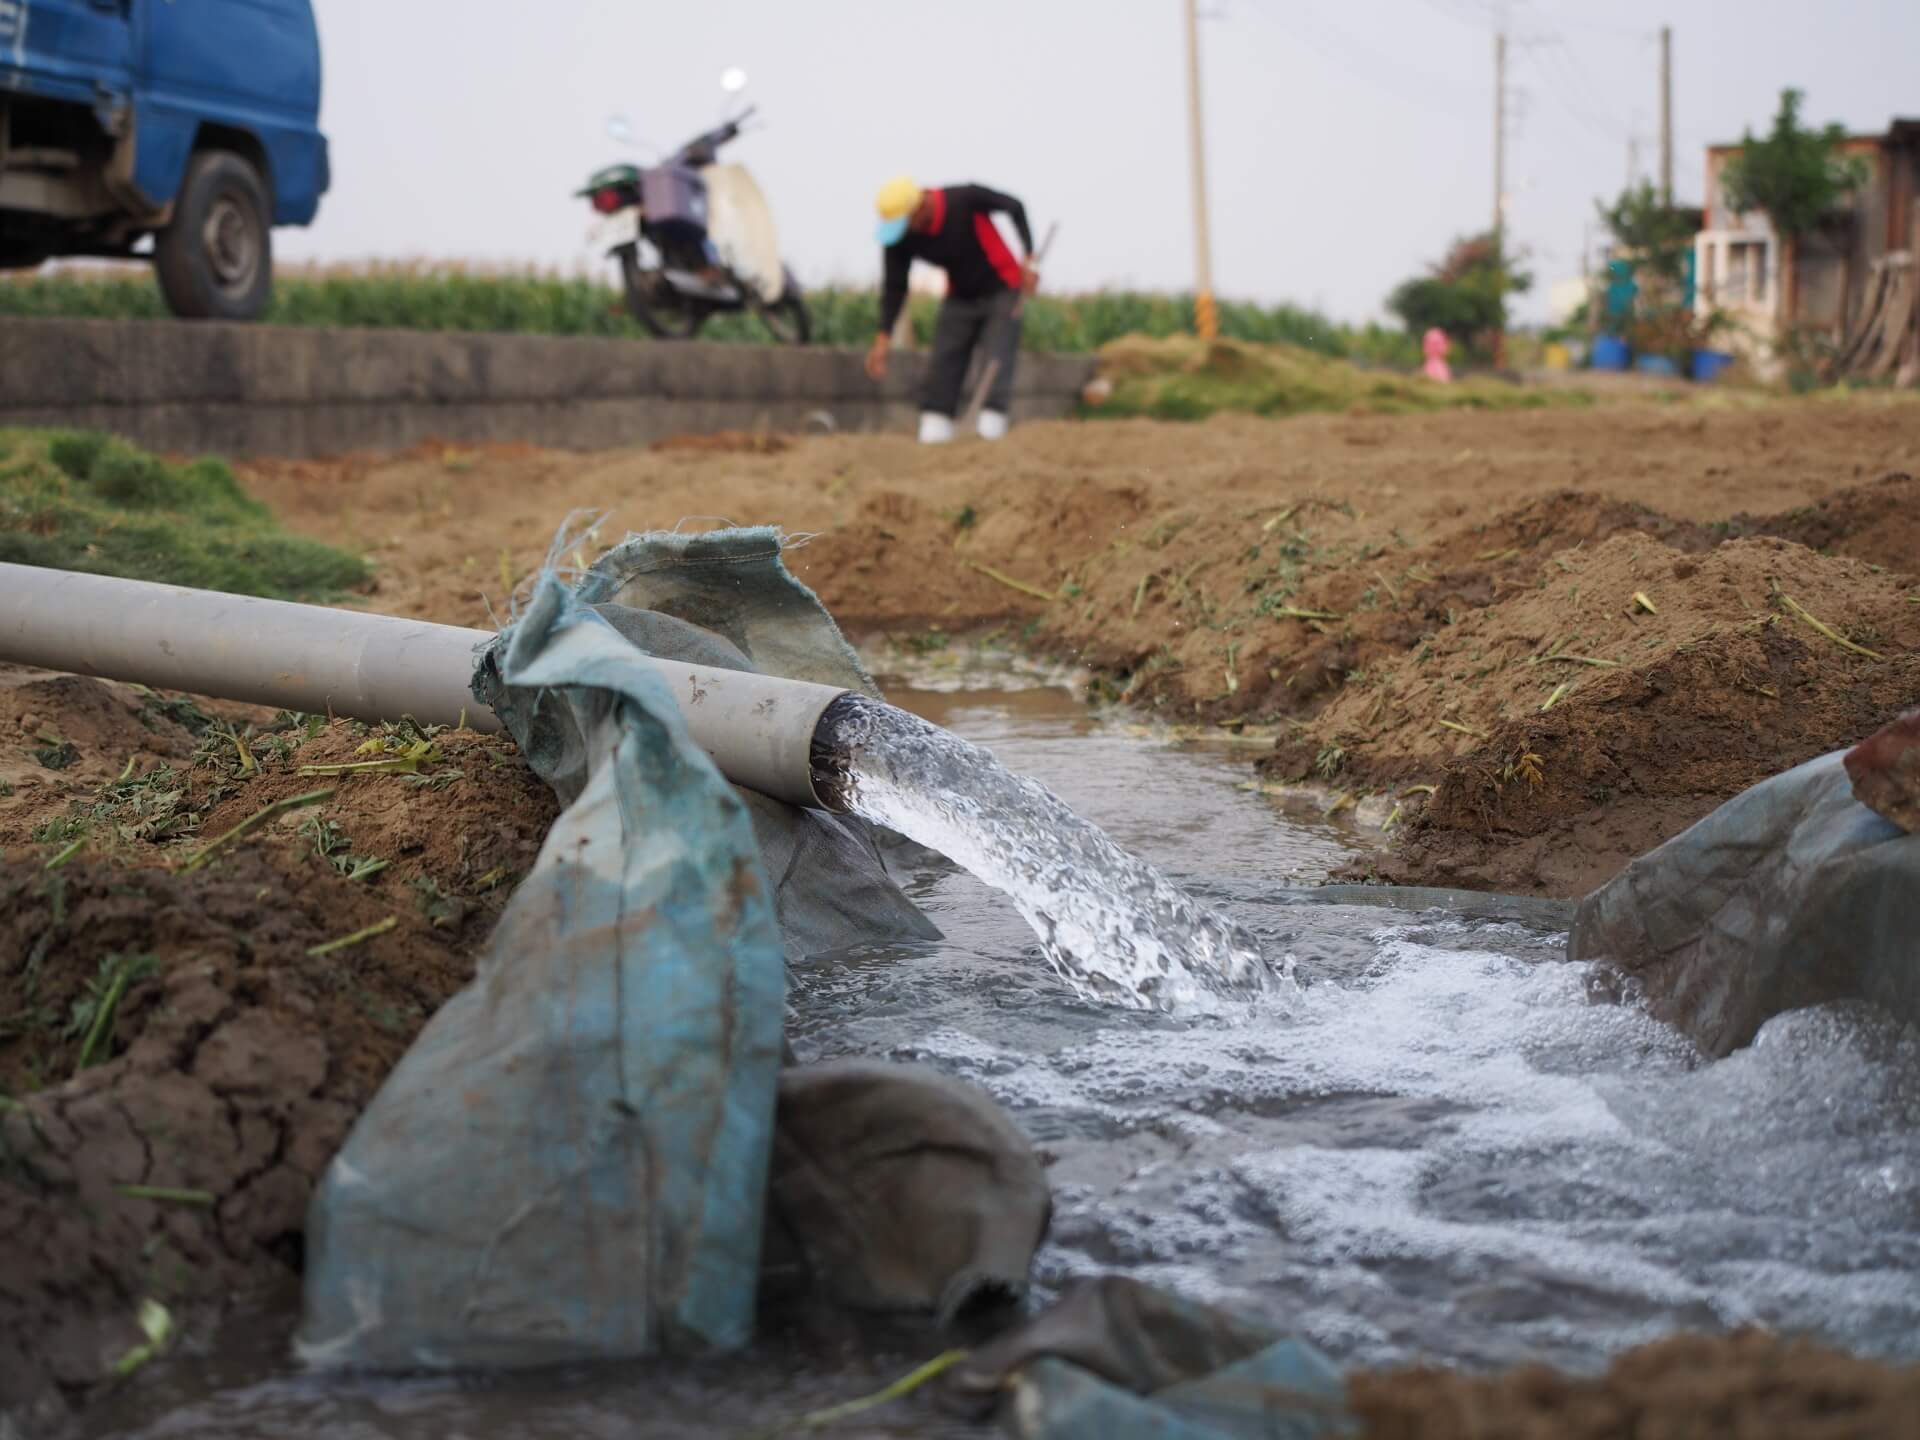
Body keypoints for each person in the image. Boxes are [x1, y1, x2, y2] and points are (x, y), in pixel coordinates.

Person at [864, 177, 1039, 443]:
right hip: (959, 296)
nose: (902, 231)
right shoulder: (901, 239)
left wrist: (1028, 257)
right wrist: (882, 340)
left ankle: (991, 430)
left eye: (905, 223)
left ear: (920, 208)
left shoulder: (963, 199)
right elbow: (894, 288)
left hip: (1003, 288)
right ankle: (935, 427)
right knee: (944, 359)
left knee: (996, 359)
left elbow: (1014, 206)